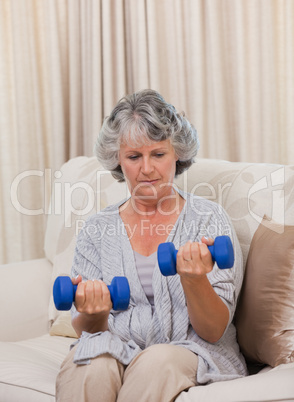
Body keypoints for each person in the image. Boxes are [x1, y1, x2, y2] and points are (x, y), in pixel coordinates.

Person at [56, 89, 247, 402]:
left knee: (155, 362)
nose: (146, 169)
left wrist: (194, 278)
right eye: (134, 157)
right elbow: (89, 331)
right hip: (120, 347)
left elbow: (213, 331)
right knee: (89, 361)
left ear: (177, 154)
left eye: (158, 154)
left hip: (193, 352)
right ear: (118, 159)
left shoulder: (209, 220)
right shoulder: (96, 230)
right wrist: (95, 313)